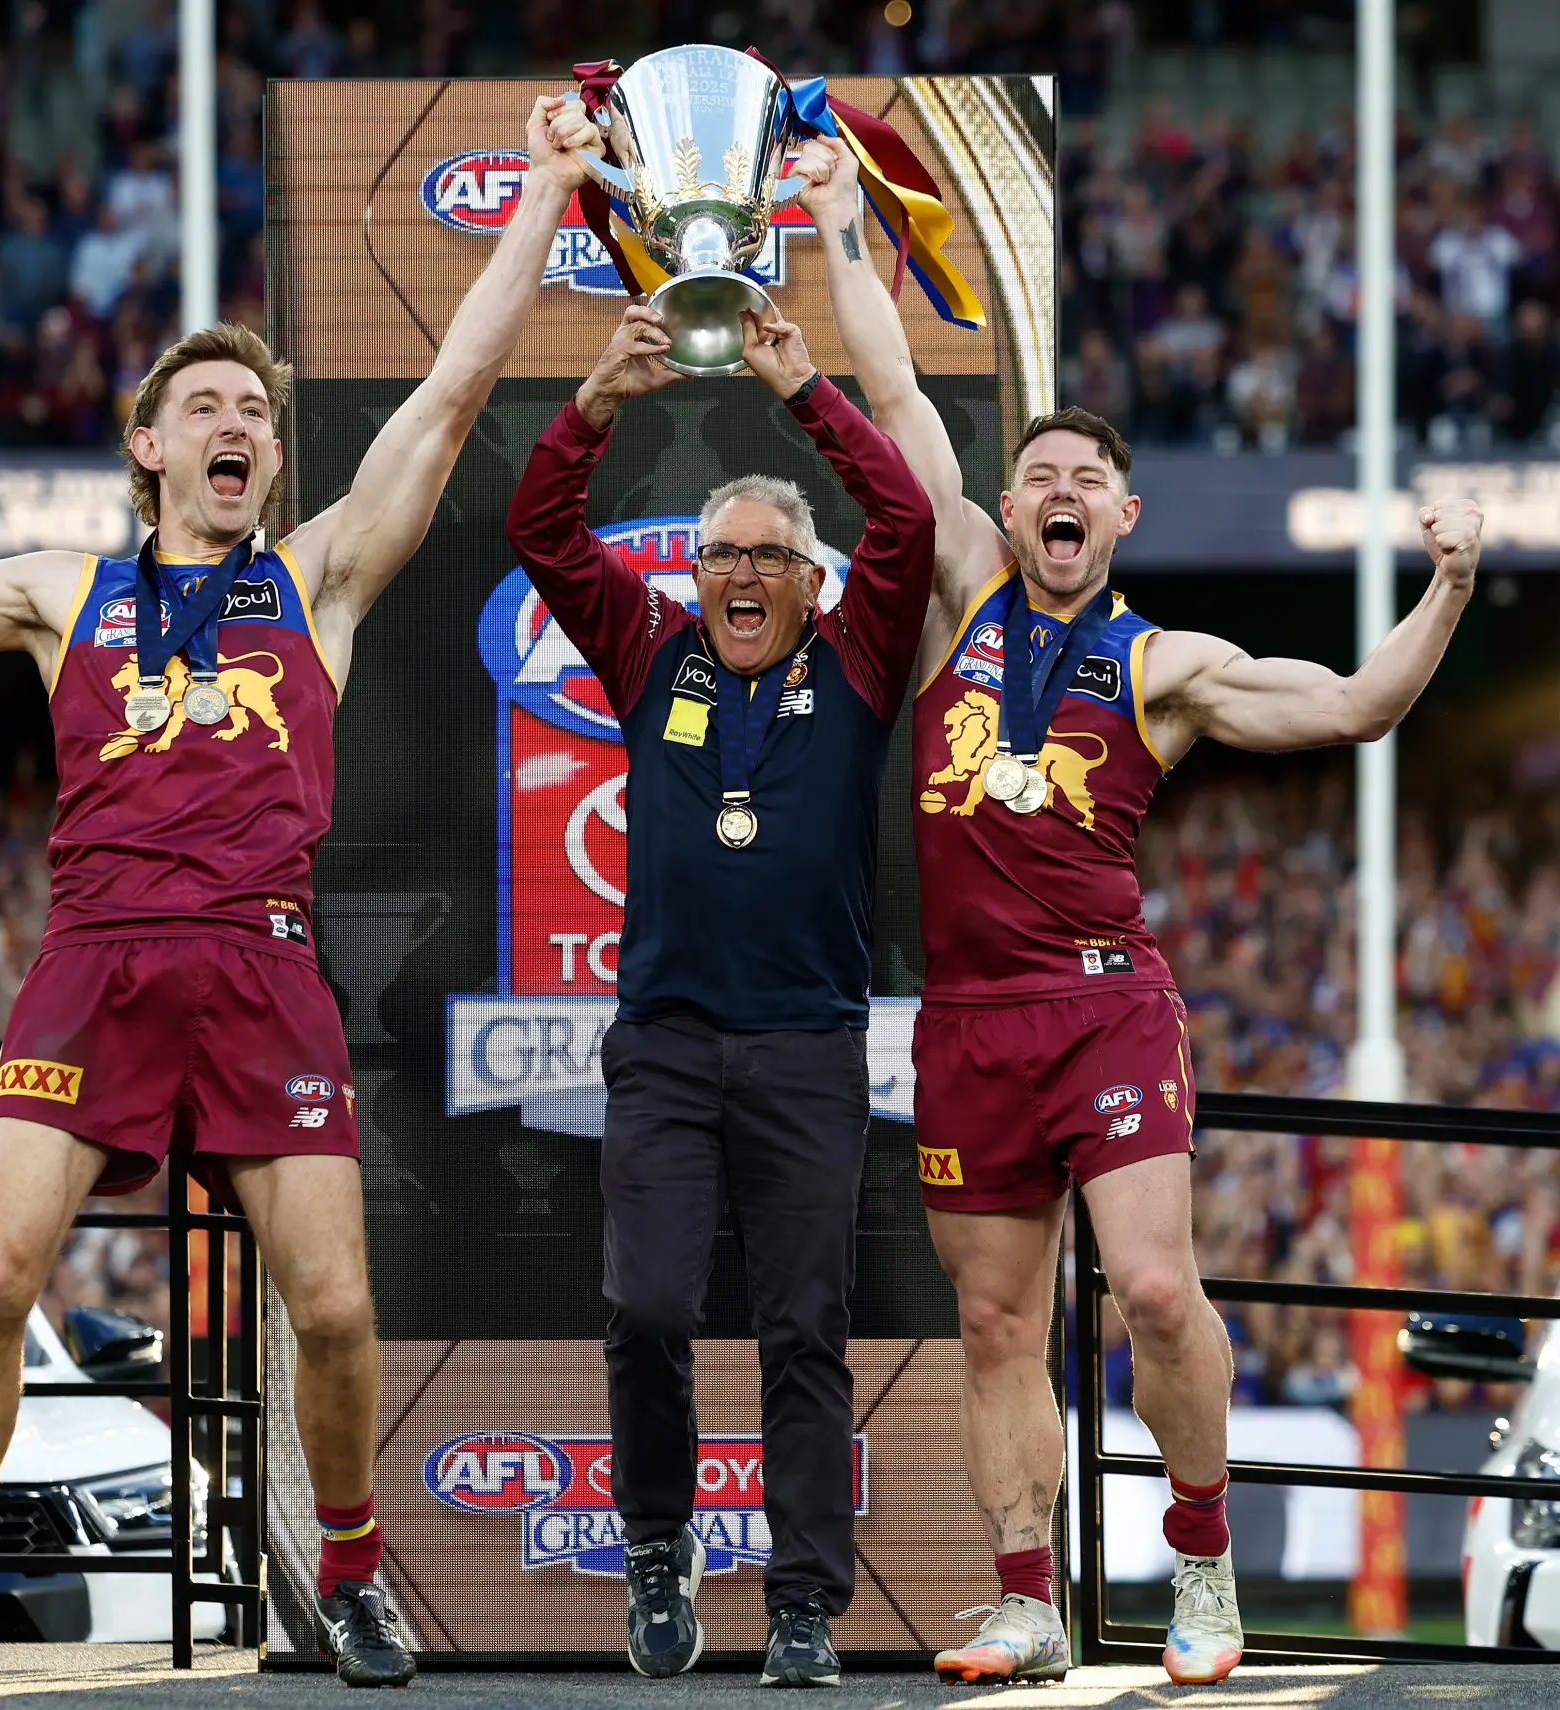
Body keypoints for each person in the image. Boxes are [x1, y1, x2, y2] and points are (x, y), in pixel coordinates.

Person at [0, 93, 603, 1694]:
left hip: (264, 964)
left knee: (336, 1311)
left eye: (257, 414)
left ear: (273, 456)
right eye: (206, 405)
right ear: (148, 446)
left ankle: (350, 1576)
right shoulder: (60, 597)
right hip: (97, 960)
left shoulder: (321, 577)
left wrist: (549, 190)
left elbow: (452, 384)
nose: (239, 426)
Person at [798, 134, 1485, 1687]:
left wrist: (1444, 585)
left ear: (1123, 514)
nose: (1054, 491)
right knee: (991, 1325)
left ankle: (1200, 1559)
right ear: (1012, 501)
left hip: (1106, 1001)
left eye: (1082, 480)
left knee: (1159, 1288)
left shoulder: (1164, 662)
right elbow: (900, 398)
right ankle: (1027, 1595)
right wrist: (846, 227)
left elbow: (1361, 707)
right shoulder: (964, 589)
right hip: (967, 1015)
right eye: (1035, 471)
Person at [504, 300, 934, 1688]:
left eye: (768, 556)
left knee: (807, 1326)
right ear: (693, 578)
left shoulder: (859, 659)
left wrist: (807, 387)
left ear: (811, 579)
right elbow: (541, 530)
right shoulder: (651, 651)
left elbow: (910, 523)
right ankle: (655, 1549)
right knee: (646, 1306)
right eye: (719, 557)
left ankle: (804, 1604)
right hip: (671, 1050)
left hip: (811, 1047)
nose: (741, 575)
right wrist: (596, 399)